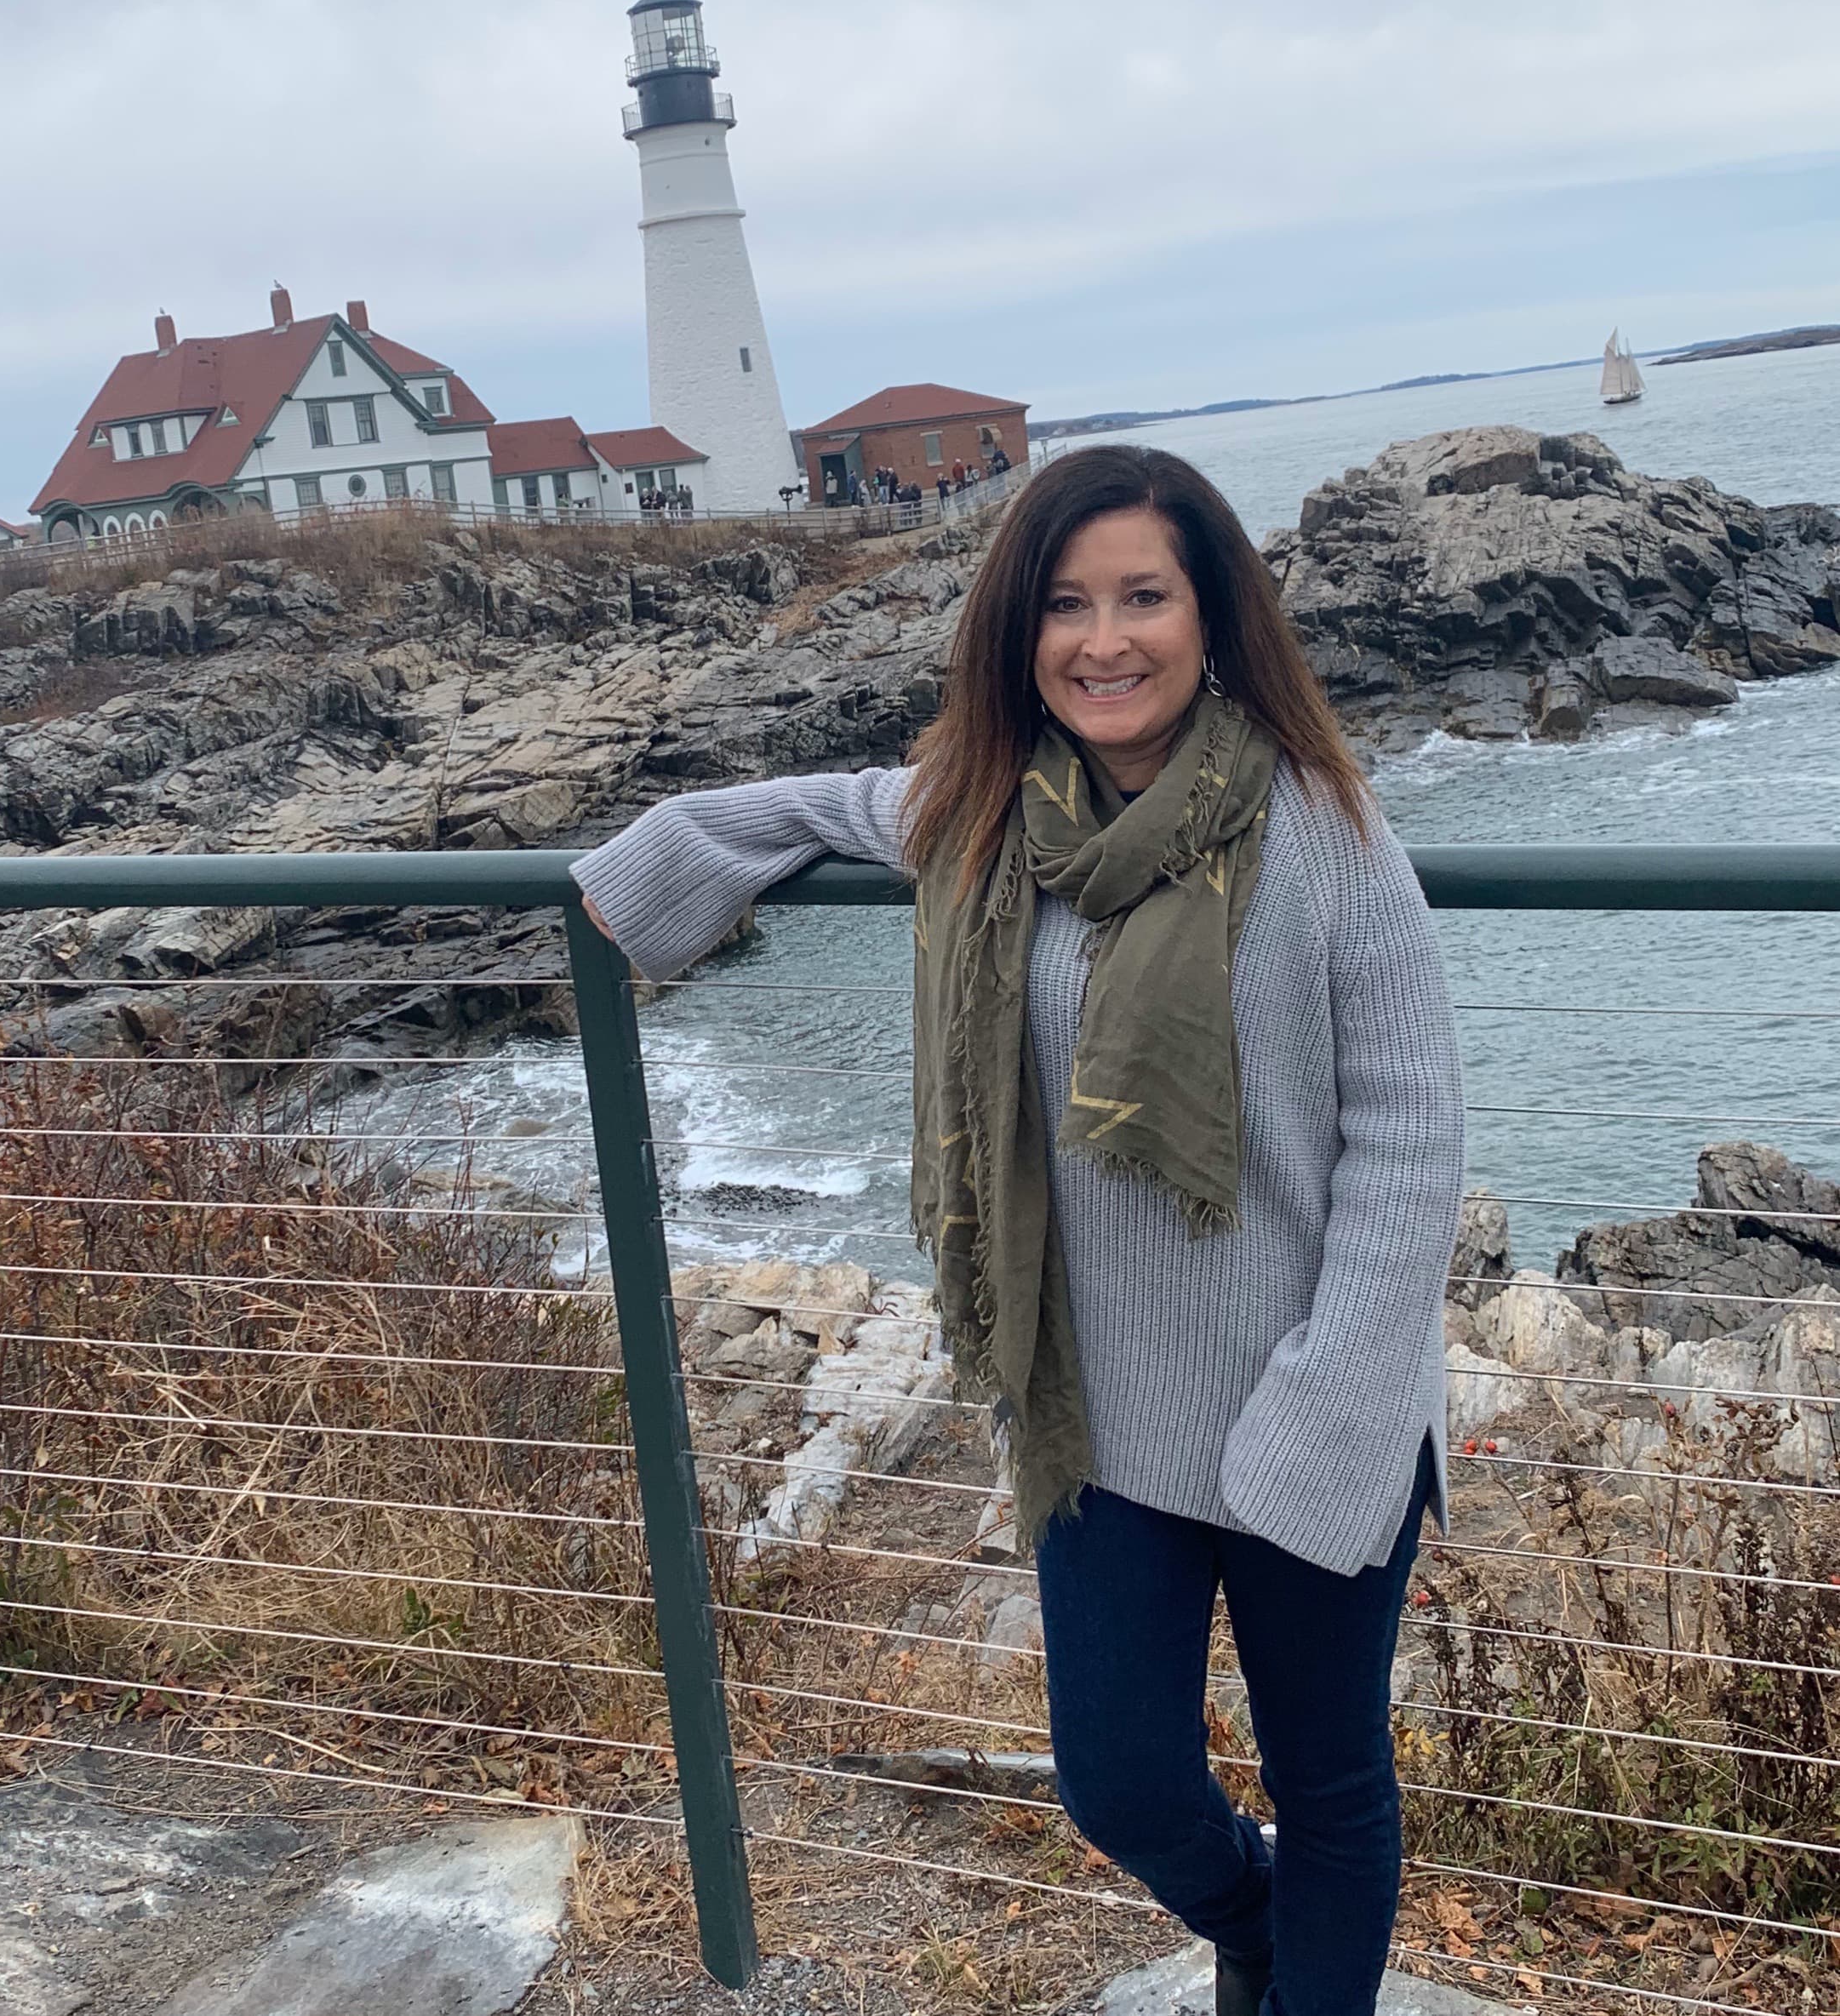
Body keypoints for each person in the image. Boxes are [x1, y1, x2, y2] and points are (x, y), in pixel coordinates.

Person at [573, 444, 1464, 2016]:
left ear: (1211, 617)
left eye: (1143, 596)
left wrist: (1332, 1394)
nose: (1103, 639)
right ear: (1016, 629)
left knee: (1331, 1786)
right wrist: (643, 874)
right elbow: (812, 808)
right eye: (1065, 602)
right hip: (1094, 1412)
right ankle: (1257, 1924)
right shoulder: (988, 818)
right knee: (1117, 1781)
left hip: (1312, 1399)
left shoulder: (1325, 829)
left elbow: (1410, 1138)